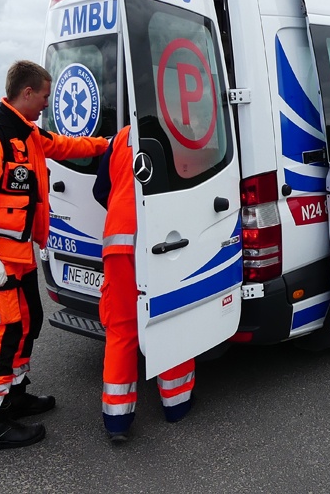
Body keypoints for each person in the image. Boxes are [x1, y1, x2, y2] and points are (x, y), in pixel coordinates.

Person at [0, 60, 109, 453]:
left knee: (30, 322)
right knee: (3, 330)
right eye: (44, 95)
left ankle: (15, 395)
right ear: (27, 93)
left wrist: (110, 144)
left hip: (20, 253)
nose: (47, 103)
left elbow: (64, 146)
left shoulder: (26, 133)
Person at [92, 124, 195, 443]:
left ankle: (117, 420)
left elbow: (100, 190)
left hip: (118, 242)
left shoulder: (122, 135)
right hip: (162, 243)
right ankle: (176, 404)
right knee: (170, 320)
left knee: (121, 328)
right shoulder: (182, 131)